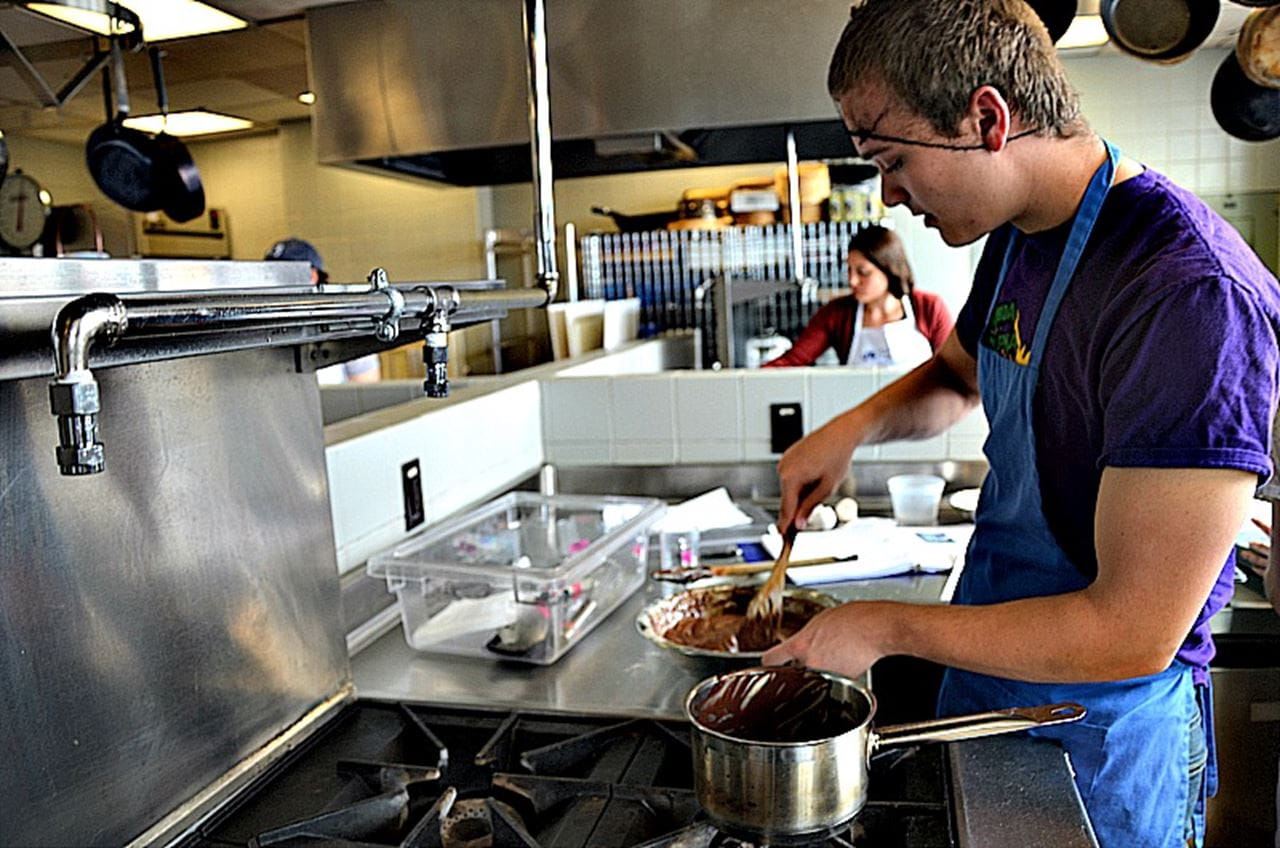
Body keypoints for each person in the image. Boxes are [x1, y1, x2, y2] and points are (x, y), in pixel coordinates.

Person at [761, 2, 1280, 847]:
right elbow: (955, 376)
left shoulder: (1187, 293)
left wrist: (883, 625)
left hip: (1100, 740)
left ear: (987, 119)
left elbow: (1132, 632)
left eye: (893, 161)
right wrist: (849, 430)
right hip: (989, 696)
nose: (890, 197)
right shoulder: (1020, 238)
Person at [762, 224, 952, 368]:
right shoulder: (836, 313)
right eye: (849, 270)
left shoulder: (928, 307)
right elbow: (794, 360)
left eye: (863, 272)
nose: (852, 281)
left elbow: (953, 367)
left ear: (889, 270)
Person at [264, 237, 381, 385]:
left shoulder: (345, 319)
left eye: (282, 274)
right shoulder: (263, 326)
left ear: (312, 275)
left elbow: (365, 387)